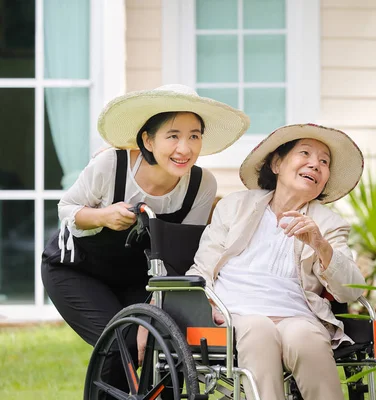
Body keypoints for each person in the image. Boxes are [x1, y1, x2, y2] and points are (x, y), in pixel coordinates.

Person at [41, 84, 249, 394]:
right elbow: (67, 208)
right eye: (173, 136)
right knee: (117, 344)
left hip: (139, 279)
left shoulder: (201, 185)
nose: (185, 148)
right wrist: (103, 216)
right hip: (77, 271)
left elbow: (180, 256)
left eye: (194, 136)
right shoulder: (112, 164)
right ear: (148, 139)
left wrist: (150, 319)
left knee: (156, 342)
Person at [186, 123, 366, 400]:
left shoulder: (330, 224)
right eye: (304, 153)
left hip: (296, 315)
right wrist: (208, 303)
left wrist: (320, 245)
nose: (315, 164)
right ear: (277, 163)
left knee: (307, 338)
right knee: (258, 330)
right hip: (234, 313)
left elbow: (351, 291)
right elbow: (204, 266)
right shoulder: (235, 206)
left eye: (324, 161)